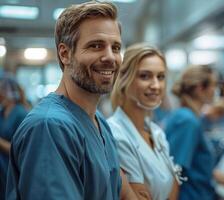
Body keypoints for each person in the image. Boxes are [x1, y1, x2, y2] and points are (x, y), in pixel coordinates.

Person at [6, 2, 135, 199]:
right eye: (96, 46)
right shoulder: (49, 127)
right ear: (65, 54)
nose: (110, 57)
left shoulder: (99, 122)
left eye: (116, 47)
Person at [108, 43, 180, 200]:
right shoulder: (115, 134)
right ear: (123, 79)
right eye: (144, 76)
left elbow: (174, 187)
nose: (155, 85)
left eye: (160, 77)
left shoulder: (156, 132)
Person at [164, 65, 217, 200]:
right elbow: (175, 171)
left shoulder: (188, 117)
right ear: (200, 88)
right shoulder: (187, 121)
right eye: (213, 85)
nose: (215, 90)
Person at [0, 75, 29, 200]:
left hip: (11, 170)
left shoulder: (21, 113)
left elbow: (22, 150)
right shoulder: (1, 112)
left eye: (2, 90)